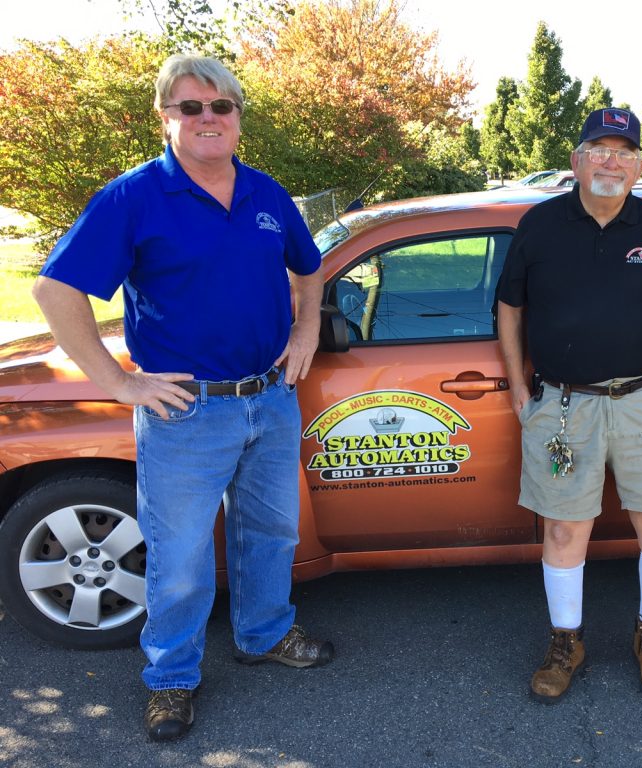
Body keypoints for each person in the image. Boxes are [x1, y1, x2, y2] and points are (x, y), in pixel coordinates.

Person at [32, 54, 331, 742]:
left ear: (237, 119)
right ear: (165, 115)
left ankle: (263, 635)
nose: (207, 119)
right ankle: (171, 679)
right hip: (185, 412)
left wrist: (307, 326)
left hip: (269, 397)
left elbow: (309, 268)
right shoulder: (134, 197)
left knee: (271, 535)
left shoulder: (265, 193)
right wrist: (119, 382)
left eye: (220, 107)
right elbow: (55, 289)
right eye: (190, 107)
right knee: (182, 557)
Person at [496, 108, 642, 702]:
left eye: (623, 152)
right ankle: (568, 642)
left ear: (638, 167)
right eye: (599, 149)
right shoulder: (538, 225)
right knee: (564, 530)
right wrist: (517, 387)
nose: (611, 160)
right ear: (577, 161)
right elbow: (509, 308)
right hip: (564, 404)